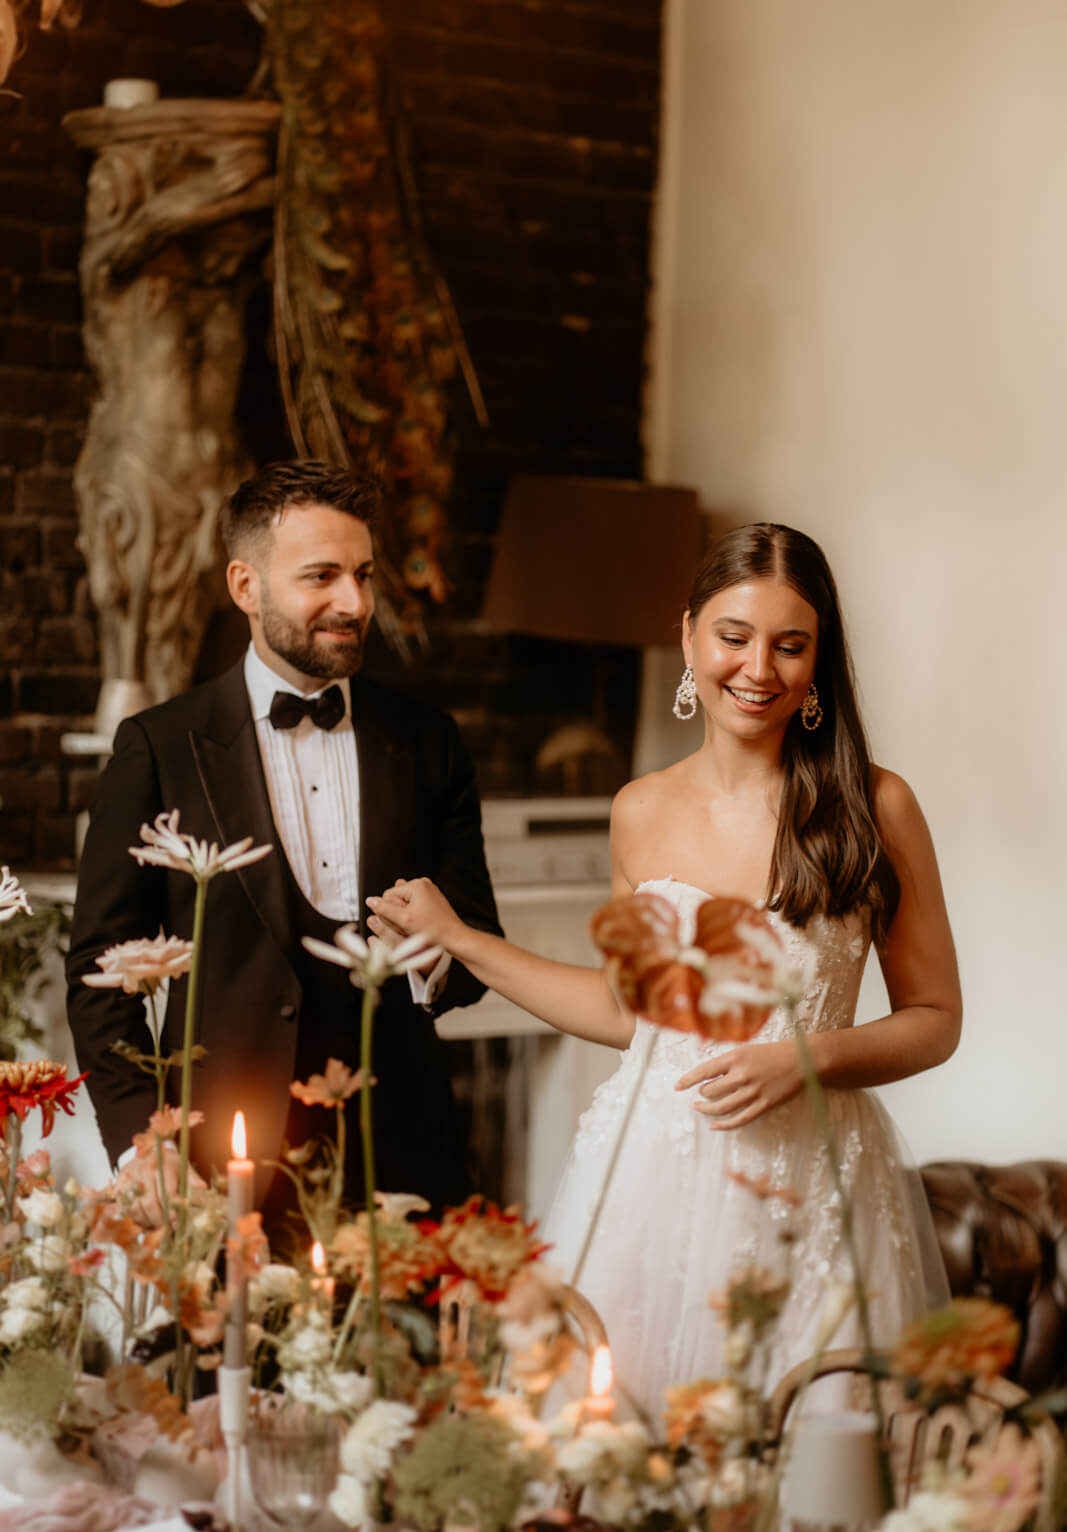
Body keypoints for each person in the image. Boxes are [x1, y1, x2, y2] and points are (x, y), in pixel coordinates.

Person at [370, 522, 960, 1411]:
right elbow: (626, 1015)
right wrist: (461, 940)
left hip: (812, 1187)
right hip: (649, 1176)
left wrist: (805, 1059)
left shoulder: (876, 807)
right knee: (621, 1453)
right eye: (733, 637)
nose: (757, 669)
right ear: (688, 636)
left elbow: (935, 1017)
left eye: (788, 645)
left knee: (806, 1464)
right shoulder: (638, 810)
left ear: (817, 663)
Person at [66, 461, 502, 1241]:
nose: (355, 602)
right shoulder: (159, 748)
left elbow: (475, 953)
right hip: (216, 1167)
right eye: (322, 576)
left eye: (364, 575)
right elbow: (101, 975)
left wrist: (437, 956)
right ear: (245, 585)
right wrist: (146, 1143)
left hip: (400, 1163)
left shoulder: (428, 743)